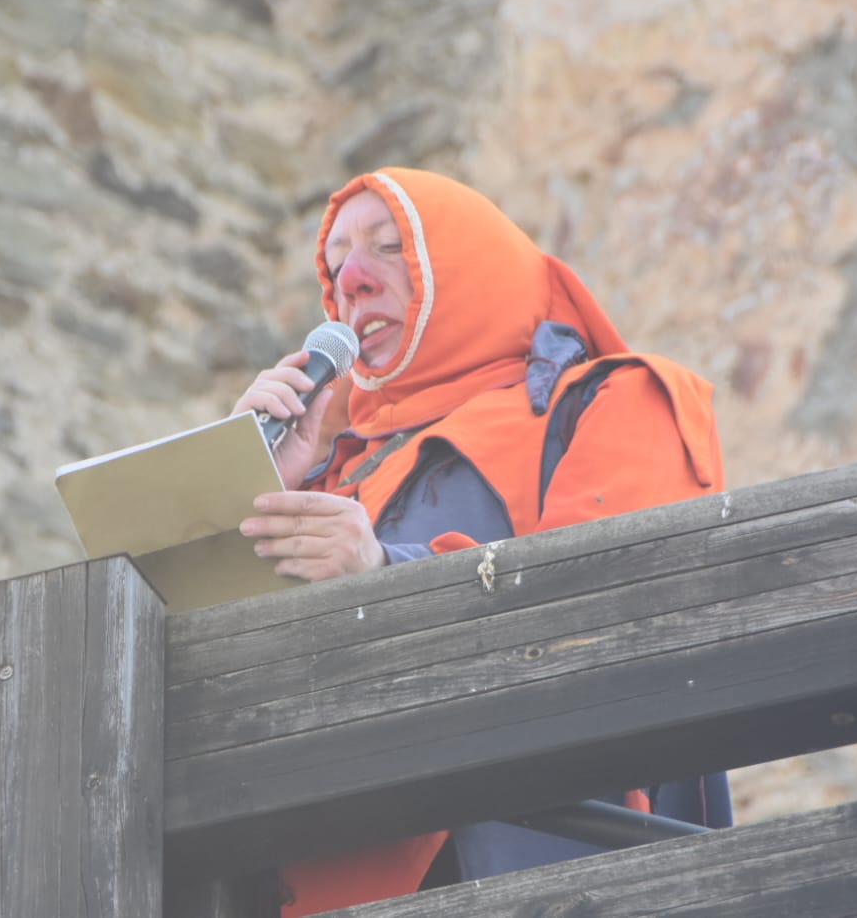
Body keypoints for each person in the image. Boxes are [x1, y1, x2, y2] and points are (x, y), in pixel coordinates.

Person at [233, 167, 732, 916]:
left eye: (389, 246)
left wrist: (382, 572)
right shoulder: (325, 472)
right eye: (336, 266)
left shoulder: (610, 400)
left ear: (468, 260)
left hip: (536, 879)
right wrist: (249, 480)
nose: (353, 281)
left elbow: (619, 606)